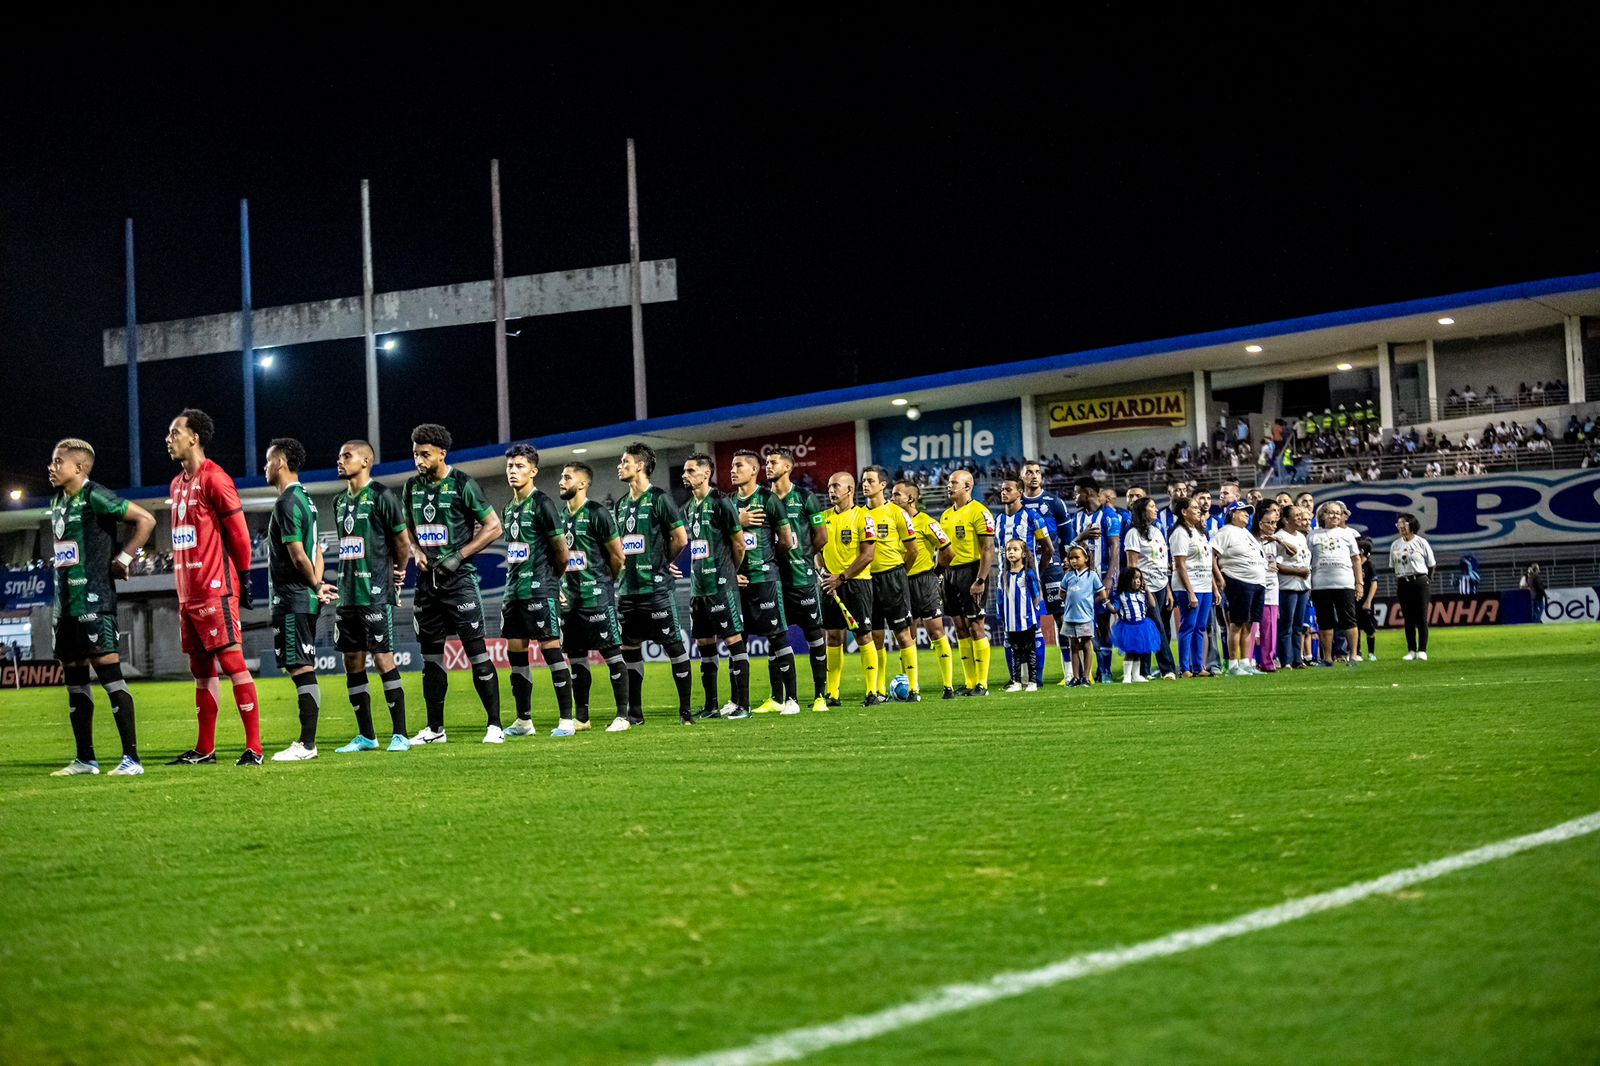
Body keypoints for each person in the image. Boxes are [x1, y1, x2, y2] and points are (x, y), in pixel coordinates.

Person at [45, 438, 155, 776]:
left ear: (78, 468)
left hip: (95, 602)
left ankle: (131, 760)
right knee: (75, 683)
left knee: (111, 678)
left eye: (58, 461)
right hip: (65, 608)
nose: (51, 467)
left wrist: (124, 557)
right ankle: (85, 759)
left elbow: (146, 520)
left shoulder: (96, 495)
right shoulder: (58, 501)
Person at [164, 409, 264, 766]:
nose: (169, 439)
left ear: (194, 438)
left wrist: (246, 576)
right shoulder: (176, 485)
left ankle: (254, 747)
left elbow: (238, 533)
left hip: (215, 588)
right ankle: (205, 749)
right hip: (186, 593)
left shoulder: (215, 478)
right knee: (201, 670)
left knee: (232, 660)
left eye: (175, 433)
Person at [403, 423, 505, 744]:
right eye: (416, 453)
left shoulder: (463, 483)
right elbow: (405, 527)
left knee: (477, 654)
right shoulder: (411, 487)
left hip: (460, 583)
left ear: (442, 454)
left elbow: (493, 527)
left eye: (425, 454)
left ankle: (494, 726)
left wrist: (459, 555)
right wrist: (416, 549)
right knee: (431, 659)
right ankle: (435, 730)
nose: (419, 460)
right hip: (426, 585)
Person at [322, 440, 414, 753]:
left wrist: (397, 574)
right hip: (347, 595)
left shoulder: (381, 496)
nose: (340, 460)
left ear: (366, 461)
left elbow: (402, 542)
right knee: (352, 661)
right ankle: (367, 736)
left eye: (346, 456)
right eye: (339, 455)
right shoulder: (338, 501)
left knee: (383, 658)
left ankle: (400, 734)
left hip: (374, 593)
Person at [613, 443, 693, 725]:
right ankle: (635, 713)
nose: (620, 466)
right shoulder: (621, 505)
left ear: (640, 466)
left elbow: (681, 539)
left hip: (656, 590)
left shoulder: (659, 498)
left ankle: (686, 713)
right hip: (627, 592)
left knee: (674, 647)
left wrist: (661, 561)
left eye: (625, 462)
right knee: (629, 649)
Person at [499, 444, 573, 737]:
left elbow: (561, 552)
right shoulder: (508, 508)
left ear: (533, 471)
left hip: (539, 589)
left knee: (551, 651)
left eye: (519, 466)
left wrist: (552, 583)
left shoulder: (542, 503)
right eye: (510, 467)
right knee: (516, 655)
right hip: (513, 592)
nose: (513, 471)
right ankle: (524, 720)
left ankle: (566, 720)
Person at [261, 439, 327, 762]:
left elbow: (300, 555)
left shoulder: (287, 503)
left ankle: (307, 744)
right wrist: (319, 584)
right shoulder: (307, 502)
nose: (265, 466)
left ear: (282, 462)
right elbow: (318, 551)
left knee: (302, 667)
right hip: (304, 596)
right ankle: (307, 743)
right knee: (300, 665)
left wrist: (314, 584)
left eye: (268, 460)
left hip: (293, 597)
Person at [555, 462, 630, 734]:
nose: (561, 481)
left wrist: (604, 582)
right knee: (576, 657)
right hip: (569, 600)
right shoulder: (560, 516)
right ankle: (583, 717)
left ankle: (623, 715)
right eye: (562, 477)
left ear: (583, 484)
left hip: (597, 596)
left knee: (611, 652)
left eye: (567, 477)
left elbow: (618, 555)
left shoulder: (598, 513)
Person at [679, 453, 749, 718]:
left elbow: (739, 544)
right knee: (705, 644)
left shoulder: (721, 502)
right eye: (684, 471)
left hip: (720, 583)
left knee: (732, 639)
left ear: (706, 473)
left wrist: (730, 572)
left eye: (690, 470)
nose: (685, 475)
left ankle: (743, 704)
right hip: (698, 587)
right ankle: (711, 705)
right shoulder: (688, 508)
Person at [731, 449, 799, 715]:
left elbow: (786, 539)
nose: (733, 470)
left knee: (778, 637)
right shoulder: (728, 502)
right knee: (736, 640)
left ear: (753, 470)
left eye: (739, 466)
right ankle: (738, 702)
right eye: (732, 466)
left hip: (765, 579)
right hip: (737, 583)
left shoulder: (768, 499)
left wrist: (768, 561)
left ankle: (791, 699)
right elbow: (722, 541)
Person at [765, 447, 832, 712]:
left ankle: (819, 696)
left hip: (801, 578)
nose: (767, 467)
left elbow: (822, 537)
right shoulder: (761, 498)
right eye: (766, 462)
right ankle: (776, 698)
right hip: (772, 580)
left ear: (788, 467)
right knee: (775, 636)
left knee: (814, 634)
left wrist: (803, 557)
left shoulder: (805, 498)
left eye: (773, 463)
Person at [818, 471, 880, 705]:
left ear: (850, 490)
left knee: (863, 635)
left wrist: (840, 578)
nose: (831, 490)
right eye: (829, 486)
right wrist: (824, 573)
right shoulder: (822, 517)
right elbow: (816, 550)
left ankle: (872, 691)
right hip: (829, 584)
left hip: (856, 584)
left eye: (836, 486)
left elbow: (868, 555)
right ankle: (833, 693)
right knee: (832, 637)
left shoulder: (864, 517)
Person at [860, 466, 921, 701]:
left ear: (882, 485)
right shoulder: (859, 514)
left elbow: (912, 550)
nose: (865, 485)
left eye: (870, 481)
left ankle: (914, 688)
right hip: (867, 580)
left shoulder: (896, 513)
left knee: (902, 634)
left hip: (893, 578)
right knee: (875, 636)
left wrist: (899, 572)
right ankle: (878, 690)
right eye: (863, 481)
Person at [894, 479, 956, 699]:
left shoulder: (927, 522)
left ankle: (948, 687)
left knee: (936, 631)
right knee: (905, 637)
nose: (893, 499)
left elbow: (948, 551)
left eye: (897, 495)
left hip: (924, 582)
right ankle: (912, 688)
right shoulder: (893, 522)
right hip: (901, 583)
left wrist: (936, 573)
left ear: (911, 498)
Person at [938, 469, 997, 696]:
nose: (949, 486)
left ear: (967, 486)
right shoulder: (945, 515)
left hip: (972, 571)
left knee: (975, 626)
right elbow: (943, 549)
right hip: (951, 574)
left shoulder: (979, 512)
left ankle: (982, 683)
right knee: (960, 627)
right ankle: (970, 682)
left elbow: (988, 548)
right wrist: (940, 571)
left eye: (954, 482)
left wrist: (980, 579)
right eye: (949, 482)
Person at [1063, 477, 1120, 684]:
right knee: (1087, 628)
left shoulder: (1109, 516)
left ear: (1088, 492)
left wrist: (1109, 578)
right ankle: (1086, 673)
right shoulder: (1077, 518)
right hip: (1081, 582)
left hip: (1101, 579)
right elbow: (1069, 547)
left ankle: (1105, 671)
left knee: (1103, 624)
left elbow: (1115, 548)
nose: (1074, 496)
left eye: (1076, 492)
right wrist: (1082, 536)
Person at [1020, 460, 1072, 683]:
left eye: (1038, 472)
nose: (1034, 476)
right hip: (1024, 571)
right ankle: (1027, 675)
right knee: (1027, 623)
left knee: (1061, 619)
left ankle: (1069, 672)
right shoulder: (1016, 502)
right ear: (1021, 477)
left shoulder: (1054, 502)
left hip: (1052, 569)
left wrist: (1069, 564)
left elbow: (1068, 538)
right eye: (1029, 472)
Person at [1121, 496, 1176, 678]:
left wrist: (1167, 589)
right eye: (1152, 507)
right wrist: (1142, 590)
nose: (1156, 510)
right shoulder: (1133, 534)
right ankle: (1168, 669)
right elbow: (1132, 566)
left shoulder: (1157, 531)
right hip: (1146, 589)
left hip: (1161, 584)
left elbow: (1161, 561)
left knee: (1149, 628)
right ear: (1143, 511)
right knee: (1157, 627)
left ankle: (1143, 672)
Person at [1211, 501, 1266, 676]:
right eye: (1242, 512)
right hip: (1238, 580)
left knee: (1249, 624)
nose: (1247, 515)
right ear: (1232, 513)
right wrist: (1220, 578)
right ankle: (1233, 664)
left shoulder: (1246, 533)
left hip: (1256, 582)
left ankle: (1245, 662)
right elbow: (1212, 555)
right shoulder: (1225, 531)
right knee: (1236, 623)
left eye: (1248, 513)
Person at [1309, 501, 1363, 668]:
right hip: (1320, 584)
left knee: (1349, 620)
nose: (1334, 516)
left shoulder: (1348, 535)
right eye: (1331, 513)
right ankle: (1327, 658)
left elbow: (1356, 559)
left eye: (1337, 513)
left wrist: (1359, 582)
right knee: (1325, 622)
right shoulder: (1312, 535)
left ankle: (1352, 656)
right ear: (1323, 515)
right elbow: (1307, 560)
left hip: (1344, 583)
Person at [1168, 496, 1214, 677]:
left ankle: (1198, 666)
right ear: (1183, 512)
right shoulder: (1180, 532)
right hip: (1189, 586)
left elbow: (1207, 561)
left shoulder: (1200, 532)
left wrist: (1214, 588)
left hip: (1205, 585)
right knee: (1188, 626)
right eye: (1194, 508)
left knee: (1201, 626)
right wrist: (1190, 592)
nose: (1198, 510)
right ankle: (1185, 668)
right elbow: (1180, 565)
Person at [997, 538, 1044, 691]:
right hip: (1011, 621)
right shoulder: (1003, 575)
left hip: (1027, 620)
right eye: (1008, 549)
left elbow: (1036, 596)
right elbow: (1000, 597)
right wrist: (1002, 615)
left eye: (1015, 549)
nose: (1011, 552)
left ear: (1023, 553)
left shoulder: (1028, 574)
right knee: (1015, 651)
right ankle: (1016, 681)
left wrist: (1034, 614)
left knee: (1030, 650)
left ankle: (1032, 681)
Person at [1389, 513, 1435, 660]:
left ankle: (1422, 649)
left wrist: (1427, 579)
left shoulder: (1421, 542)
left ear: (1411, 524)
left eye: (1404, 523)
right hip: (1403, 582)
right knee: (1408, 618)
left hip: (1419, 581)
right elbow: (1393, 566)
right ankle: (1411, 650)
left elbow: (1431, 564)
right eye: (1398, 524)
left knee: (1421, 617)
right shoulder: (1395, 544)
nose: (1401, 526)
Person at [1059, 545, 1106, 686]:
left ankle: (1086, 676)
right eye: (1070, 558)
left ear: (1086, 558)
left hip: (1085, 617)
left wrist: (1089, 601)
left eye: (1076, 557)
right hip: (1069, 617)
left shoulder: (1092, 575)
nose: (1073, 561)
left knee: (1086, 645)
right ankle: (1076, 677)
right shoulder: (1068, 576)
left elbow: (1102, 595)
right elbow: (1062, 594)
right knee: (1073, 646)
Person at [1111, 566, 1161, 683]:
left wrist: (1148, 590)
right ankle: (1127, 675)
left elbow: (1153, 605)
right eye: (1134, 578)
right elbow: (1115, 609)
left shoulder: (1142, 594)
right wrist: (1107, 603)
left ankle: (1136, 675)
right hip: (1128, 627)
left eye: (1139, 578)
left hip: (1142, 626)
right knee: (1130, 651)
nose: (1137, 581)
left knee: (1138, 652)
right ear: (1127, 580)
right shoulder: (1122, 596)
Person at [1253, 503, 1282, 673]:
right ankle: (1250, 661)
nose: (1273, 526)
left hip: (1272, 588)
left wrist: (1278, 539)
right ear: (1259, 524)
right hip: (1255, 586)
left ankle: (1267, 661)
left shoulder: (1275, 540)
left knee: (1270, 627)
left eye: (1274, 523)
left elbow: (1293, 553)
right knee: (1253, 627)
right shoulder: (1251, 540)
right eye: (1269, 523)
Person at [1356, 538, 1378, 661]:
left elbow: (1374, 584)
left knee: (1369, 628)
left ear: (1362, 550)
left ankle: (1371, 653)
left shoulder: (1370, 566)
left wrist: (1368, 601)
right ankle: (1357, 652)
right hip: (1354, 600)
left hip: (1366, 602)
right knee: (1355, 627)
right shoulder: (1353, 564)